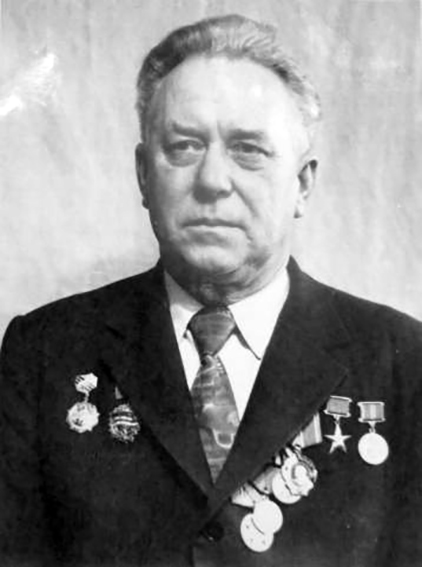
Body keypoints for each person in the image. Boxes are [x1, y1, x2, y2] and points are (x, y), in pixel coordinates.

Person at [1, 13, 422, 567]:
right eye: (184, 147)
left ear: (302, 184)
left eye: (248, 149)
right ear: (143, 175)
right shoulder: (43, 352)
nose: (212, 181)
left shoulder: (403, 361)